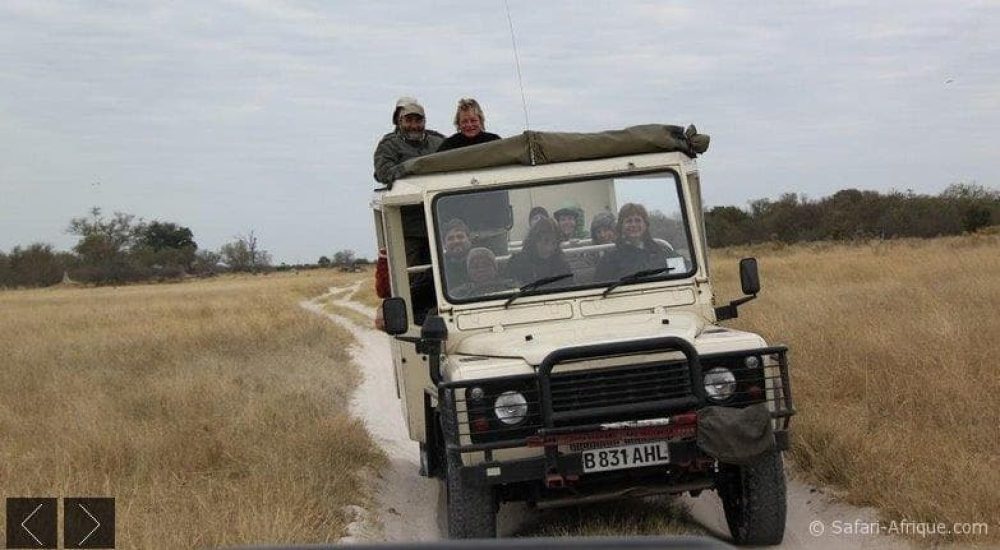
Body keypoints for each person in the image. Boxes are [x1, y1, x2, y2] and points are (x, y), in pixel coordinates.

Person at [595, 203, 681, 282]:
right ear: (621, 226)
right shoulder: (609, 259)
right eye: (629, 221)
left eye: (638, 220)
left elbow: (682, 274)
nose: (633, 225)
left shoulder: (662, 251)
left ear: (645, 225)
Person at [373, 98, 445, 185]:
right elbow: (383, 174)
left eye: (418, 120)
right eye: (408, 120)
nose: (414, 126)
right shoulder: (389, 145)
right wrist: (410, 167)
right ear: (400, 121)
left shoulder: (439, 142)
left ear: (424, 121)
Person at [504, 217, 573, 286]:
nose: (549, 248)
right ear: (534, 240)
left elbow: (568, 286)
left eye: (554, 243)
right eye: (545, 241)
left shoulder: (561, 263)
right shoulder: (517, 262)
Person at [437, 98, 501, 152]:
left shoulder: (494, 141)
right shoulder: (449, 145)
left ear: (480, 121)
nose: (469, 125)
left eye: (473, 120)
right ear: (458, 124)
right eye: (464, 121)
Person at [451, 248, 516, 298]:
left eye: (486, 265)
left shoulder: (512, 288)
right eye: (475, 267)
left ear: (495, 268)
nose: (481, 269)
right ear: (469, 272)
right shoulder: (458, 294)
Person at [441, 218, 472, 288]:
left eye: (460, 237)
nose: (456, 241)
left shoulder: (483, 260)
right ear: (444, 244)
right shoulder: (439, 266)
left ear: (469, 240)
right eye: (450, 238)